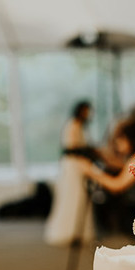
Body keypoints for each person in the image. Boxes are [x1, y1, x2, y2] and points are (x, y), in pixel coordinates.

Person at [44, 100, 98, 248]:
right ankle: (70, 230)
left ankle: (78, 231)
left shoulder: (80, 126)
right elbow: (71, 147)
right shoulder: (73, 125)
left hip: (78, 164)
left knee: (80, 196)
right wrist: (89, 152)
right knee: (73, 195)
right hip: (73, 165)